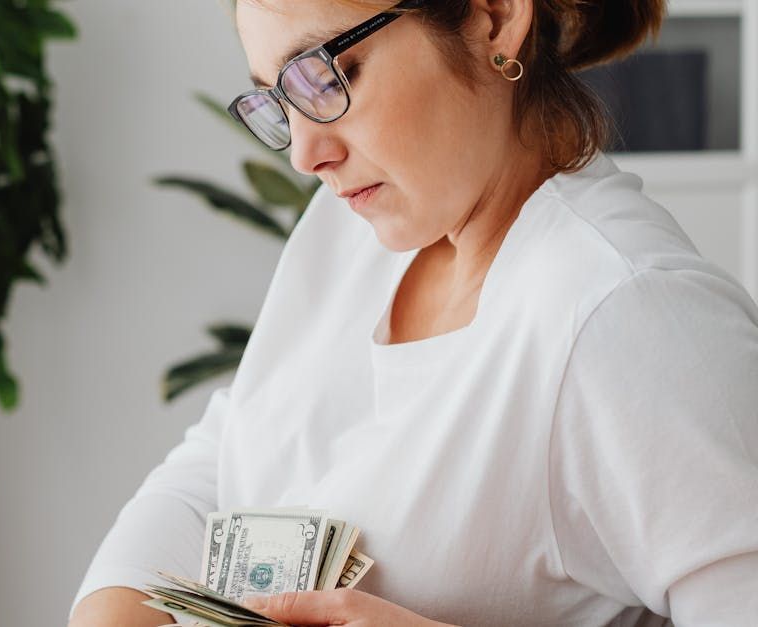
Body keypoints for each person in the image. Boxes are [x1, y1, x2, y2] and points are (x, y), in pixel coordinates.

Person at [69, 0, 758, 625]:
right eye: (277, 98)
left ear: (494, 16)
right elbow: (237, 443)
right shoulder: (357, 231)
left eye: (330, 75)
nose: (306, 154)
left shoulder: (627, 315)